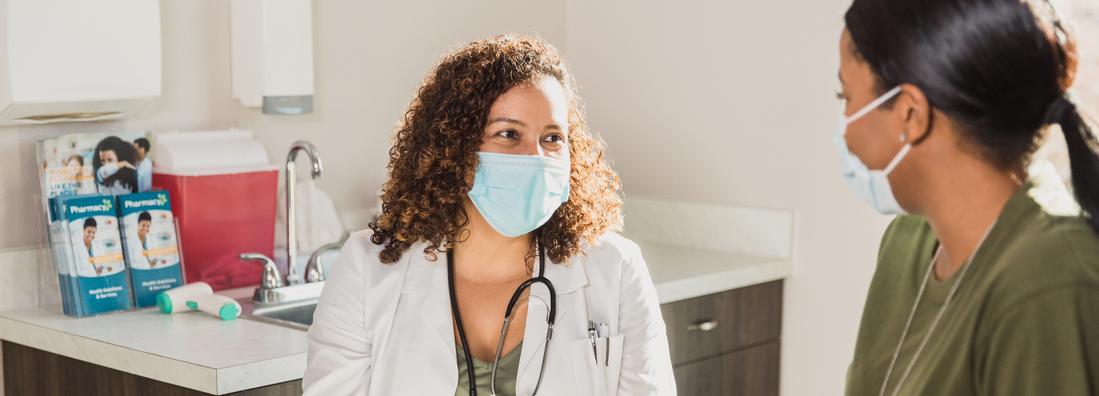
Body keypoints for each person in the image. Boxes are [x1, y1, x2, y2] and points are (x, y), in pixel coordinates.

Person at [303, 35, 676, 395]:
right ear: (455, 149)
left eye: (552, 138)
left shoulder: (616, 268)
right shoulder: (367, 270)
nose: (536, 157)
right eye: (509, 134)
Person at [837, 0, 1099, 394]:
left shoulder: (1049, 282)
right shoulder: (907, 242)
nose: (845, 134)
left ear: (910, 114)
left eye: (846, 98)